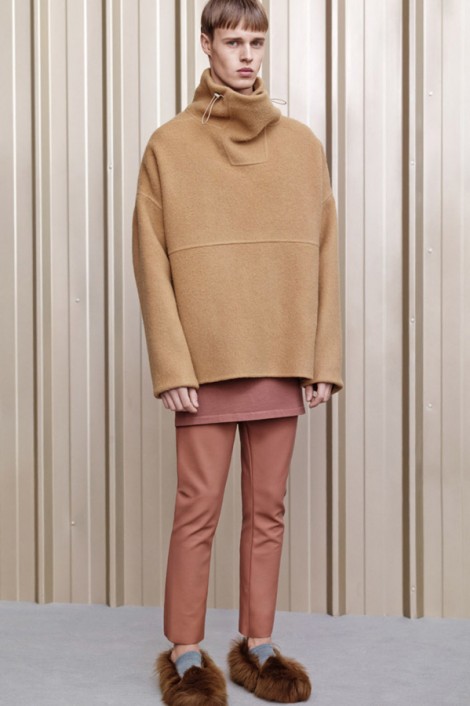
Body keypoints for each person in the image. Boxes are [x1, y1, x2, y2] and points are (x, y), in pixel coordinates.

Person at [132, 1, 342, 703]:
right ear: (206, 45)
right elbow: (150, 261)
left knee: (268, 509)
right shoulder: (169, 146)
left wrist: (323, 361)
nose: (247, 55)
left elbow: (325, 255)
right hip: (203, 365)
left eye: (257, 41)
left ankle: (259, 644)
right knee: (198, 507)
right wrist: (172, 365)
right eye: (233, 41)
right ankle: (185, 650)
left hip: (281, 355)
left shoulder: (303, 147)